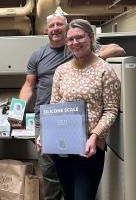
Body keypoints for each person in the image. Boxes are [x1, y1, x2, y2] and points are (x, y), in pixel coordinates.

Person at [18, 13, 125, 200]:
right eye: (71, 39)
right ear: (46, 30)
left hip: (88, 144)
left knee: (83, 195)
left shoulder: (105, 70)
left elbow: (110, 110)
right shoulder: (56, 66)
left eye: (79, 37)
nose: (75, 42)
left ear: (90, 37)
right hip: (59, 137)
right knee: (57, 183)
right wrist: (17, 113)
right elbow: (48, 99)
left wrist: (95, 136)